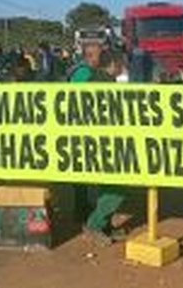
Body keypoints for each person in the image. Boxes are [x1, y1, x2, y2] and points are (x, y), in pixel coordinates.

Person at [68, 33, 126, 246]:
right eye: (100, 53)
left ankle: (101, 223)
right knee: (113, 185)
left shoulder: (96, 73)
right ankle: (94, 224)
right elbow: (81, 103)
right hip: (88, 137)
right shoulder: (83, 74)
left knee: (107, 183)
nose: (103, 56)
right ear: (90, 55)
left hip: (100, 135)